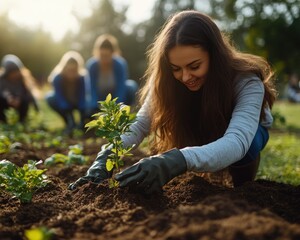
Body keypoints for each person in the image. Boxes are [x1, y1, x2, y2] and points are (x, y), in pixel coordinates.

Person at [68, 10, 277, 193]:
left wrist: (177, 160)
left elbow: (236, 142)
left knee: (247, 147)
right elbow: (141, 124)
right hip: (200, 129)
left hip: (243, 137)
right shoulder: (166, 81)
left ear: (215, 55)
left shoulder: (246, 80)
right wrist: (107, 155)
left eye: (194, 66)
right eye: (176, 68)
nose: (185, 77)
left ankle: (244, 189)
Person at [85, 34, 138, 115]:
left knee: (131, 86)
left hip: (115, 96)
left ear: (113, 53)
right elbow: (91, 88)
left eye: (107, 55)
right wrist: (94, 107)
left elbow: (121, 87)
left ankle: (129, 112)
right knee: (87, 101)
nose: (104, 58)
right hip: (100, 98)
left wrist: (117, 107)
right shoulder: (92, 65)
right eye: (102, 55)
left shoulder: (120, 64)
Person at [45, 51, 86, 134]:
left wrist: (83, 115)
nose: (71, 73)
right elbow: (60, 97)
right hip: (65, 104)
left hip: (77, 102)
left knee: (89, 105)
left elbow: (83, 97)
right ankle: (69, 122)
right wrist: (69, 113)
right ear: (64, 67)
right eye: (69, 70)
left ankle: (84, 123)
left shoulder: (81, 78)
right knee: (50, 98)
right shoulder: (58, 78)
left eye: (74, 70)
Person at [0, 54, 39, 123]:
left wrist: (36, 108)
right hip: (6, 101)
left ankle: (22, 121)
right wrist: (9, 98)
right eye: (12, 72)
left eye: (16, 71)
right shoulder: (2, 79)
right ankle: (3, 121)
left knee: (26, 99)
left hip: (20, 102)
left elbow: (29, 94)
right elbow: (3, 90)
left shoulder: (23, 80)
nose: (14, 74)